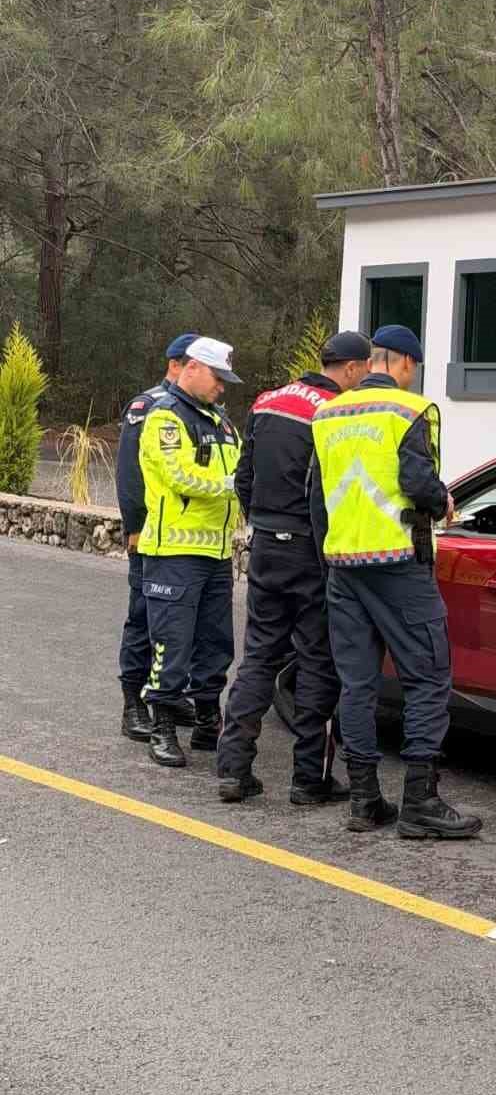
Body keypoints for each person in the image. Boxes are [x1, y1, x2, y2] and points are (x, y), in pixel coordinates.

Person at [309, 324, 482, 840]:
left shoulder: (326, 413)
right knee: (428, 676)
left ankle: (364, 799)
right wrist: (443, 499)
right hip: (398, 563)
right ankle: (420, 800)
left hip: (344, 565)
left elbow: (316, 497)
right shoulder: (411, 410)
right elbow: (416, 481)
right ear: (405, 363)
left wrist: (331, 558)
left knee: (357, 684)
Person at [216, 331, 373, 806]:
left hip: (265, 544)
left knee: (259, 656)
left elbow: (244, 478)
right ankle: (309, 778)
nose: (366, 378)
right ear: (349, 368)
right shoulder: (335, 412)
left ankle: (233, 769)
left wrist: (264, 523)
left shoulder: (267, 401)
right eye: (365, 369)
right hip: (311, 551)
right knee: (317, 662)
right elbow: (337, 492)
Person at [137, 336, 243, 768]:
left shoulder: (221, 421)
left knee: (216, 643)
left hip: (216, 553)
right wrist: (230, 486)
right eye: (218, 377)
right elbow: (179, 475)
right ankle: (161, 722)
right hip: (174, 552)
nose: (223, 387)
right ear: (194, 368)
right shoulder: (165, 417)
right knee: (173, 642)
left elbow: (242, 467)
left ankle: (206, 719)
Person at [115, 332, 199, 742]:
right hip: (150, 534)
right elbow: (130, 476)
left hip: (183, 540)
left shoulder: (198, 410)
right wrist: (134, 526)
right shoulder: (146, 407)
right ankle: (133, 701)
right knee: (144, 616)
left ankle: (167, 693)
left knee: (178, 624)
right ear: (175, 365)